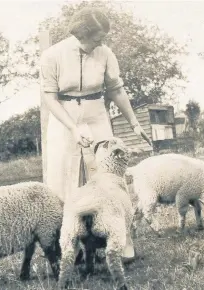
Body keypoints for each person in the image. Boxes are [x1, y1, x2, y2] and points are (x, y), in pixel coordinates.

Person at [40, 7, 150, 203]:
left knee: (107, 168)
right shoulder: (52, 56)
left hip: (96, 114)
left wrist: (134, 122)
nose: (100, 43)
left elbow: (116, 89)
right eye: (96, 39)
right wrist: (73, 128)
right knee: (62, 171)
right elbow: (50, 98)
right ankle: (65, 225)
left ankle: (108, 221)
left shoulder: (105, 54)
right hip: (64, 116)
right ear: (82, 34)